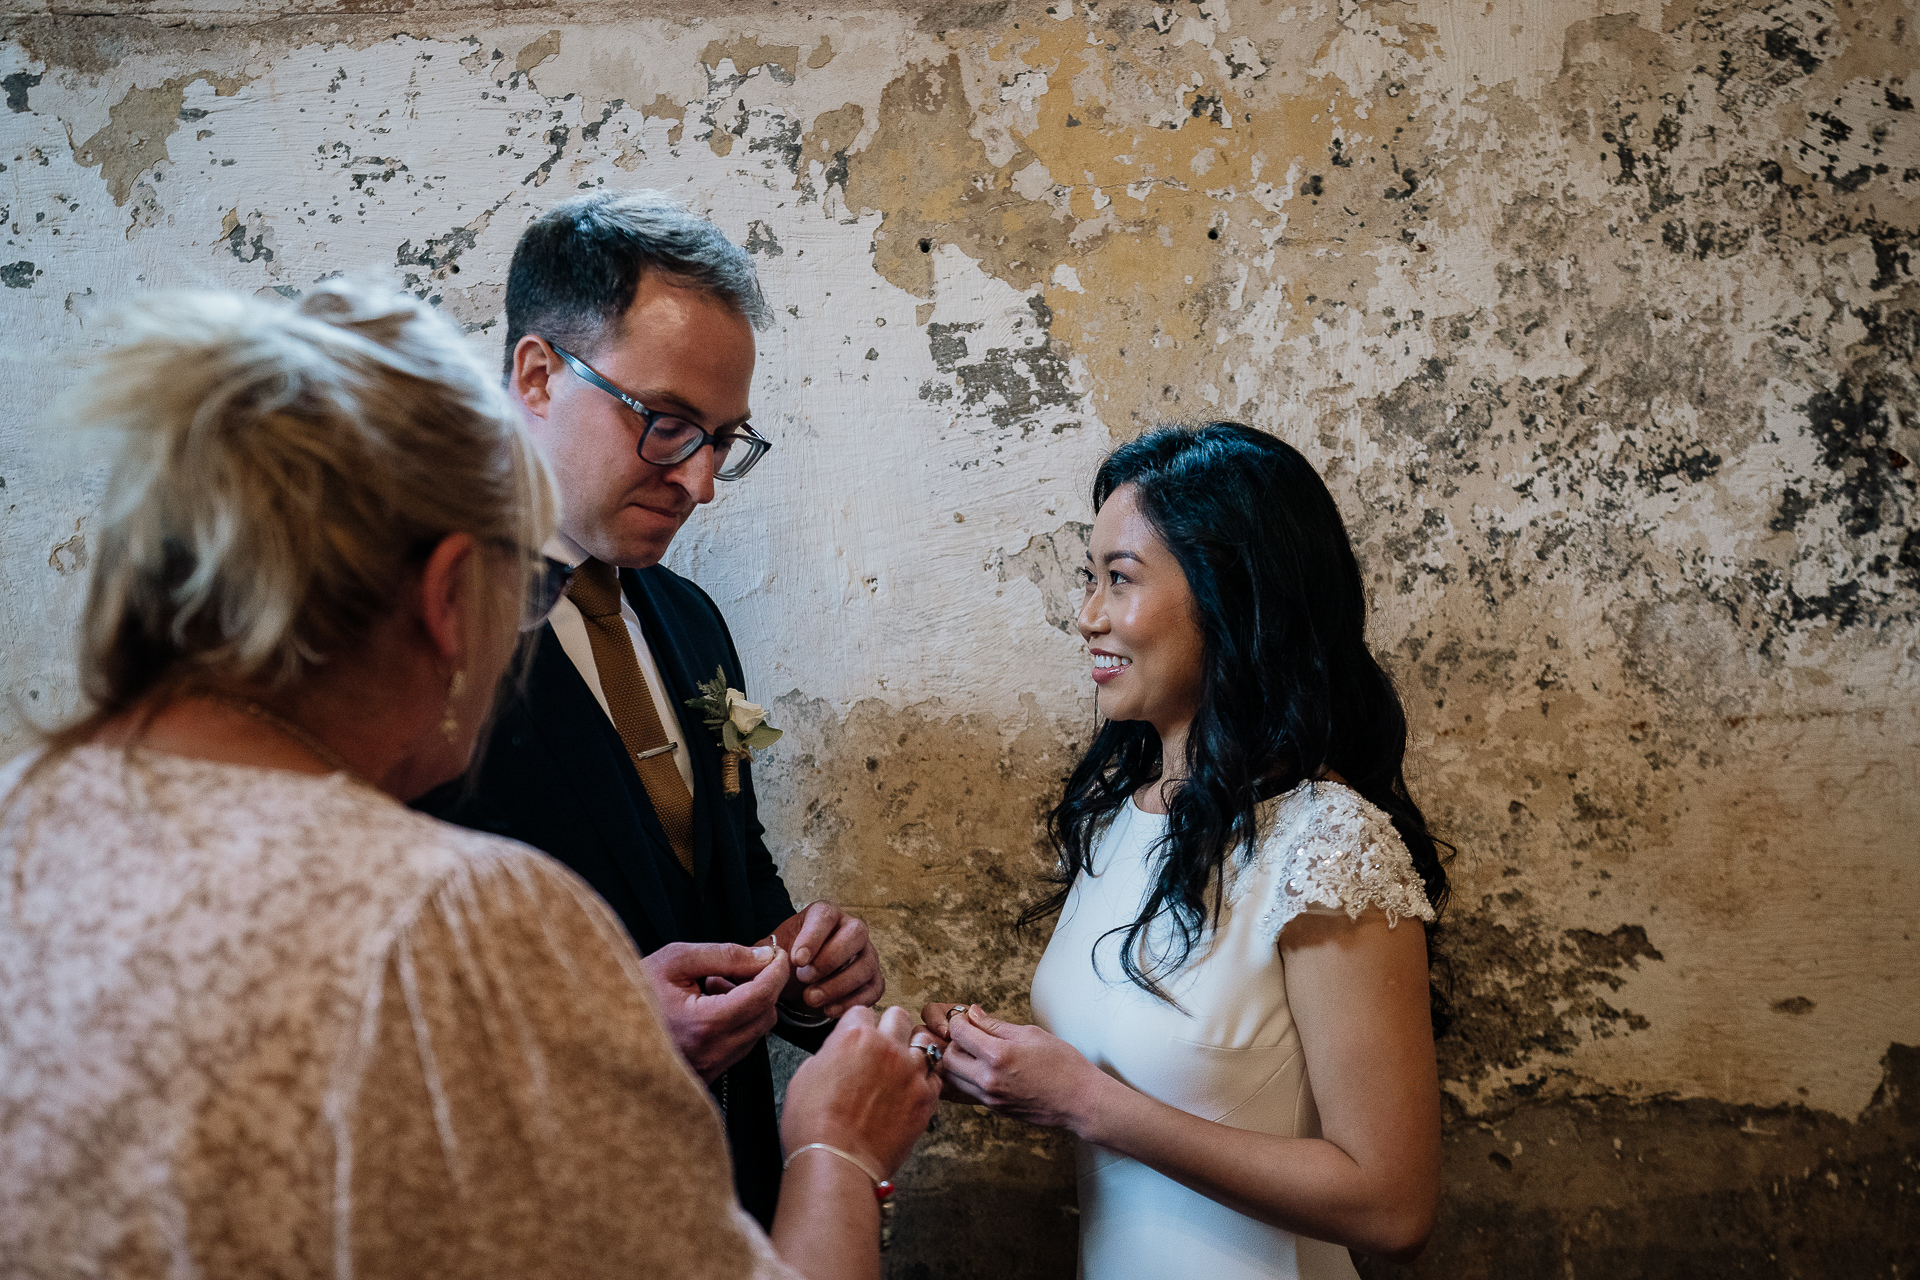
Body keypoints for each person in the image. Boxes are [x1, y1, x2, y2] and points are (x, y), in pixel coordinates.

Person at [0, 283, 941, 1280]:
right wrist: (837, 1146)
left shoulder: (25, 816)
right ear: (451, 595)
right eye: (518, 580)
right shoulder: (458, 913)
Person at [416, 192, 882, 1226]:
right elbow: (358, 982)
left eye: (725, 439)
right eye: (668, 424)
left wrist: (800, 961)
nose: (702, 482)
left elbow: (728, 868)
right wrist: (614, 1026)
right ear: (538, 375)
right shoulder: (415, 634)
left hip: (728, 1196)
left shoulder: (689, 620)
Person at [917, 424, 1450, 1278]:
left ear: (1232, 598)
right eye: (1088, 580)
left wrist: (1086, 1103)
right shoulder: (1116, 819)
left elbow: (1391, 1208)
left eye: (1118, 580)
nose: (1087, 615)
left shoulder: (1328, 843)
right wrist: (993, 1063)